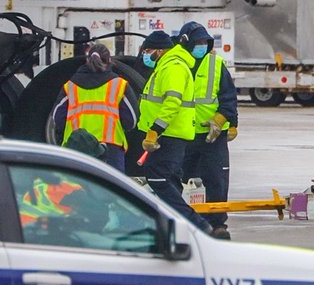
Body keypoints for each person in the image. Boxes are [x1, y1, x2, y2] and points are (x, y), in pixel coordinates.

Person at [137, 30, 214, 232]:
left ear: (160, 51)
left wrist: (155, 130)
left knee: (157, 178)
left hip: (168, 135)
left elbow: (173, 102)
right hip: (169, 134)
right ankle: (176, 227)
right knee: (169, 180)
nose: (146, 54)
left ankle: (196, 225)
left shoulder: (173, 68)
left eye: (149, 50)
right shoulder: (167, 65)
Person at [177, 21, 239, 239]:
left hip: (213, 136)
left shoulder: (215, 64)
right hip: (184, 134)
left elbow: (229, 98)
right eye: (198, 42)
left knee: (217, 180)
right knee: (181, 179)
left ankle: (218, 224)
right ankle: (185, 218)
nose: (202, 46)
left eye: (205, 42)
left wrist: (222, 120)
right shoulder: (177, 64)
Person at [50, 43, 138, 173]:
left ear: (87, 60)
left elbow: (58, 118)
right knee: (111, 190)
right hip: (110, 147)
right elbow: (130, 120)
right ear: (109, 60)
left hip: (77, 147)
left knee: (77, 187)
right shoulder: (119, 85)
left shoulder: (70, 86)